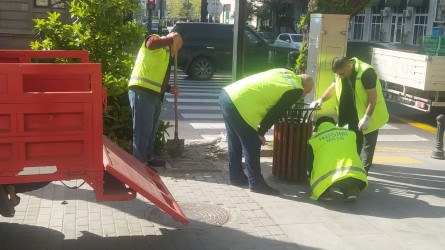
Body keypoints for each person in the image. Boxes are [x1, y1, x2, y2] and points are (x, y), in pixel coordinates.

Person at [219, 68, 314, 195]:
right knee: (252, 143)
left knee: (234, 141)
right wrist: (261, 132)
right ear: (304, 86)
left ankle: (236, 177)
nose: (304, 95)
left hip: (227, 95)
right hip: (240, 105)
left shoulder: (286, 73)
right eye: (307, 92)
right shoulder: (296, 89)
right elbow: (276, 112)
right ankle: (256, 184)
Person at [309, 56, 389, 173]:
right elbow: (333, 87)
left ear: (348, 66)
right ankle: (351, 170)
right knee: (352, 144)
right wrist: (321, 100)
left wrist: (367, 117)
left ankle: (361, 177)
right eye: (338, 74)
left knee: (366, 147)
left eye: (342, 74)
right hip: (350, 115)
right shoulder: (340, 72)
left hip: (369, 115)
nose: (340, 76)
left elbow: (373, 97)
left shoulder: (366, 72)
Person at [128, 32, 183, 170]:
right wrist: (170, 39)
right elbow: (151, 44)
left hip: (154, 94)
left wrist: (170, 88)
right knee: (142, 129)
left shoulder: (166, 55)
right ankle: (140, 163)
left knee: (151, 129)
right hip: (142, 90)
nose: (176, 51)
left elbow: (157, 76)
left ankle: (148, 157)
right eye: (176, 47)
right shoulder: (155, 40)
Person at [307, 116, 368, 201]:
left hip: (331, 179)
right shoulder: (350, 133)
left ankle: (325, 192)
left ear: (317, 127)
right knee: (346, 174)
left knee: (322, 172)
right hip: (357, 177)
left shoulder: (315, 139)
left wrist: (311, 177)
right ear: (334, 124)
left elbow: (310, 164)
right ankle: (350, 190)